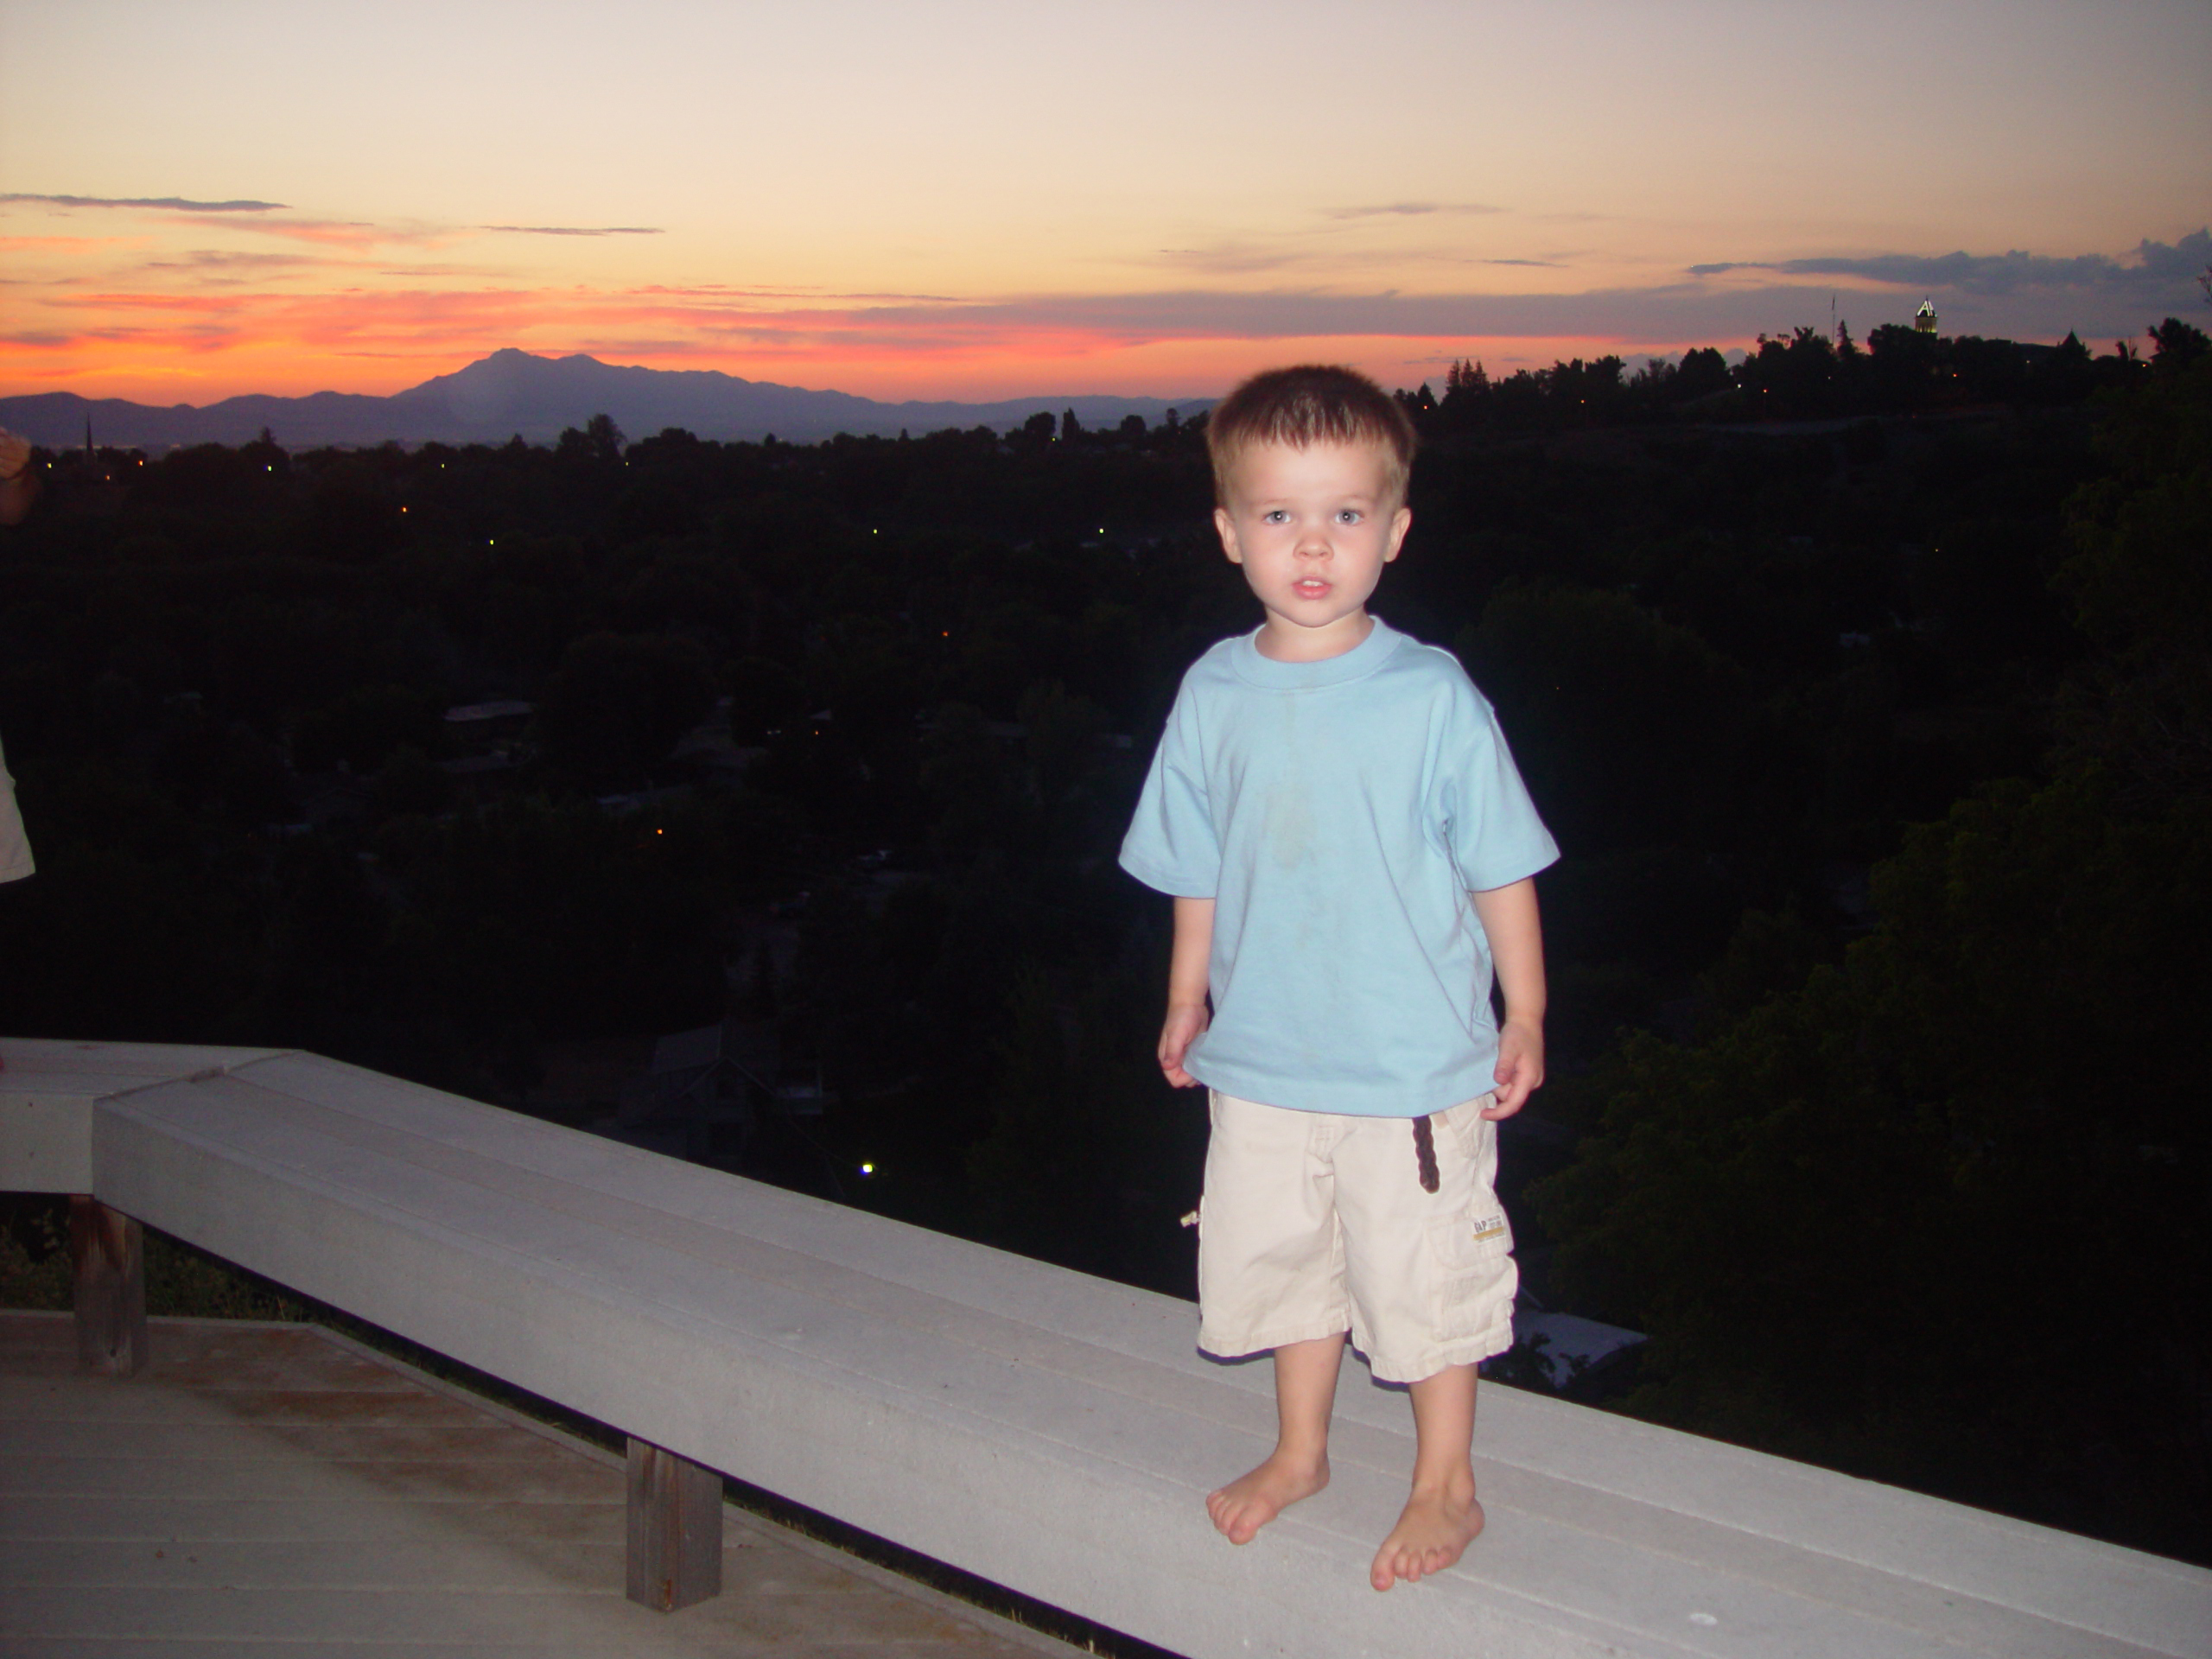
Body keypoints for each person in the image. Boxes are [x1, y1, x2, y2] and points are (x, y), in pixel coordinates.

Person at [1119, 366, 1555, 1591]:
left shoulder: (1430, 697)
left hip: (1413, 1064)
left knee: (1425, 1274)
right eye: (1278, 515)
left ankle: (1446, 1484)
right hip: (1262, 1057)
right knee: (1283, 1259)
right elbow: (1195, 864)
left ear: (1395, 532)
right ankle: (1300, 1450)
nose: (1312, 544)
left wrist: (1523, 1012)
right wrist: (1185, 995)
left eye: (1346, 515)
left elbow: (1502, 868)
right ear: (1229, 532)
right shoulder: (1213, 691)